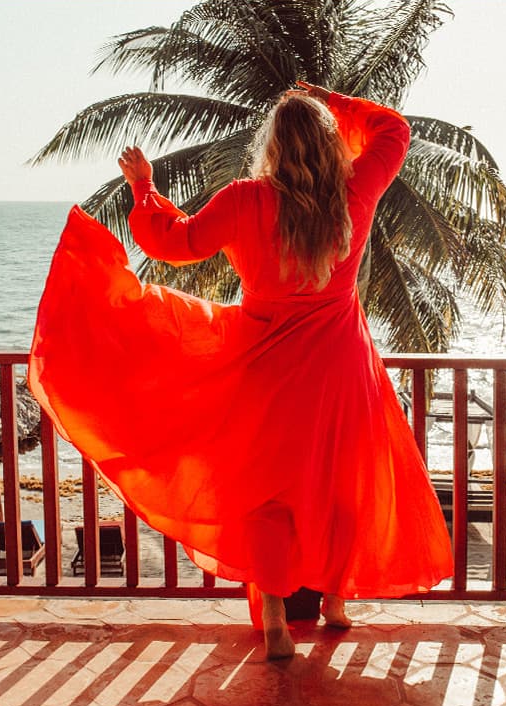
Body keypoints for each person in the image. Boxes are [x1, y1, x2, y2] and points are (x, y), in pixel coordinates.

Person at [28, 82, 453, 660]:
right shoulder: (354, 194)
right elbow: (395, 131)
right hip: (341, 368)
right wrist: (334, 100)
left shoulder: (248, 199)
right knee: (341, 485)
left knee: (267, 498)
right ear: (330, 145)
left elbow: (174, 243)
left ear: (273, 146)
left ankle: (276, 620)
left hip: (267, 370)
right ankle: (334, 602)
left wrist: (144, 187)